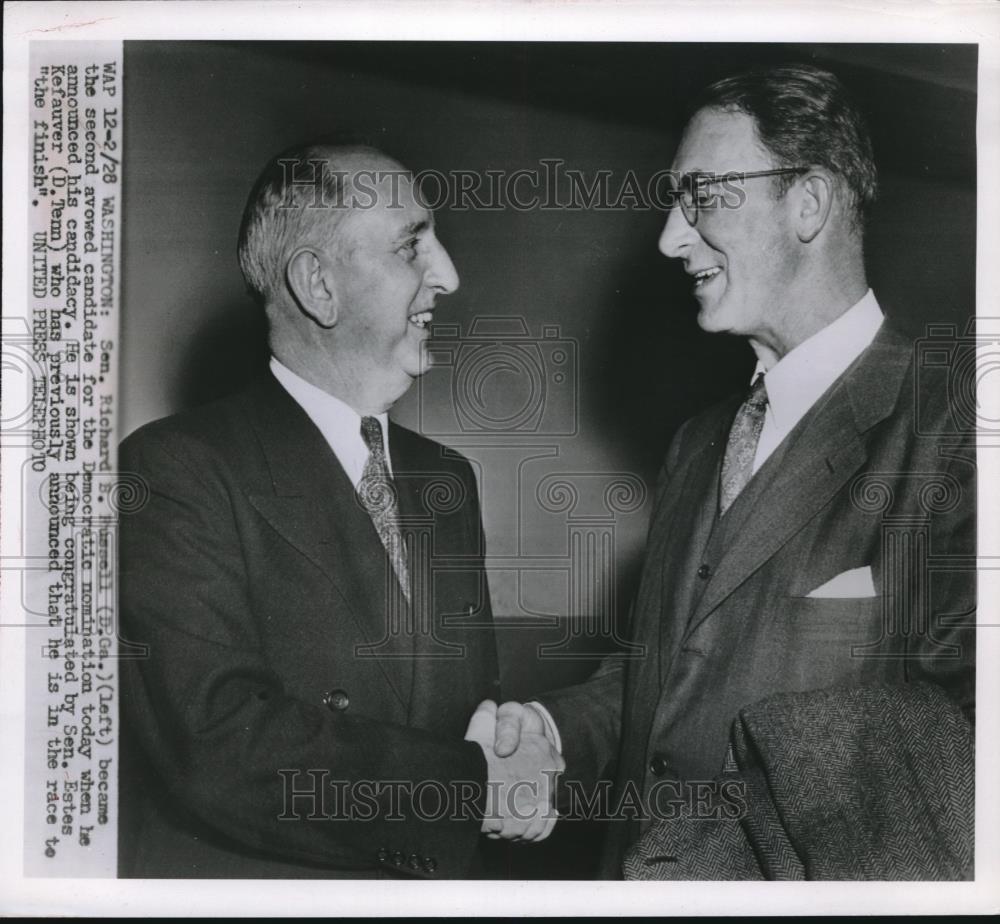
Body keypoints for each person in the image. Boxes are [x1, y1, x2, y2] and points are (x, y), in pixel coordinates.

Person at [480, 64, 976, 878]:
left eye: (703, 195)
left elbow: (958, 752)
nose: (671, 237)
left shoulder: (959, 432)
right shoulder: (696, 442)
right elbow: (664, 674)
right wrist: (551, 732)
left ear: (808, 204)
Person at [117, 144, 563, 879]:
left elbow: (453, 708)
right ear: (318, 285)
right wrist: (473, 785)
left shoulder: (445, 478)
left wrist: (507, 734)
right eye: (411, 245)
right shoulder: (173, 469)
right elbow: (222, 748)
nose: (448, 275)